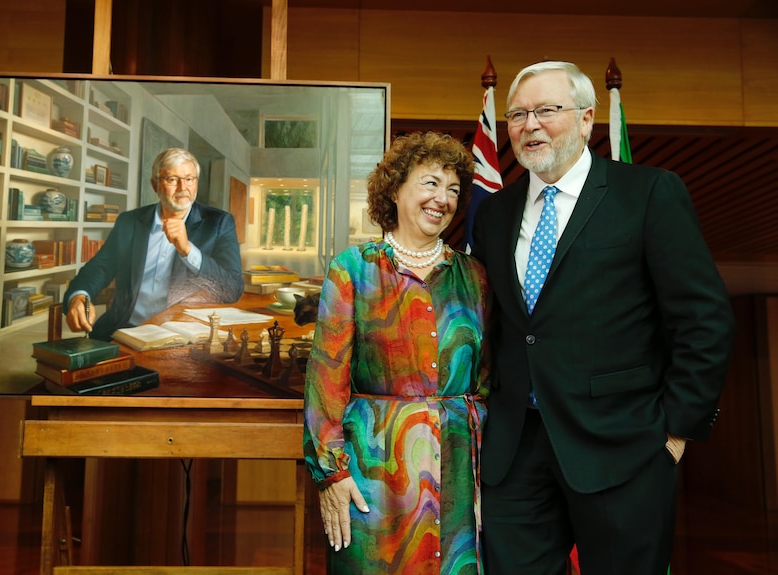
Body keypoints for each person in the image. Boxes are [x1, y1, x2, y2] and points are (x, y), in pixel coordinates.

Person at [470, 61, 736, 575]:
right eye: (518, 114)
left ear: (588, 118)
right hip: (515, 455)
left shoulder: (649, 193)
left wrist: (677, 430)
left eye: (547, 109)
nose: (530, 124)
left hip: (624, 449)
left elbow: (705, 319)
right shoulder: (495, 215)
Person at [303, 131, 490, 574]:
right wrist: (332, 473)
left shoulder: (476, 276)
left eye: (453, 190)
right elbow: (327, 378)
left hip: (460, 468)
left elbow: (486, 378)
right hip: (374, 471)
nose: (442, 199)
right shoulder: (353, 268)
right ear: (395, 188)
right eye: (430, 183)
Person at [64, 147, 244, 341]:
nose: (183, 187)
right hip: (126, 330)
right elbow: (99, 268)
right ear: (155, 185)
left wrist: (188, 250)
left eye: (189, 179)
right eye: (172, 179)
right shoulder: (129, 222)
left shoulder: (218, 223)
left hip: (183, 339)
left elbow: (232, 289)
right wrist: (78, 296)